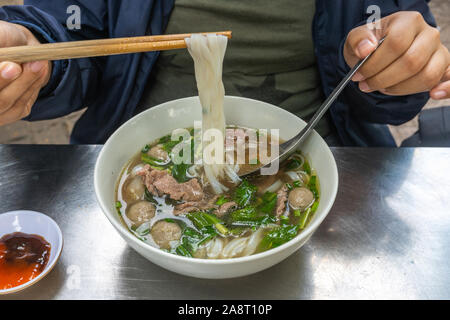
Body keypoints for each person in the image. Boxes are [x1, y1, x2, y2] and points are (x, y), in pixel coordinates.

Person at [0, 0, 448, 146]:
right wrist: (34, 54)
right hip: (139, 142)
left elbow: (394, 97)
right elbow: (72, 30)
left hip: (320, 144)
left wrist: (395, 67)